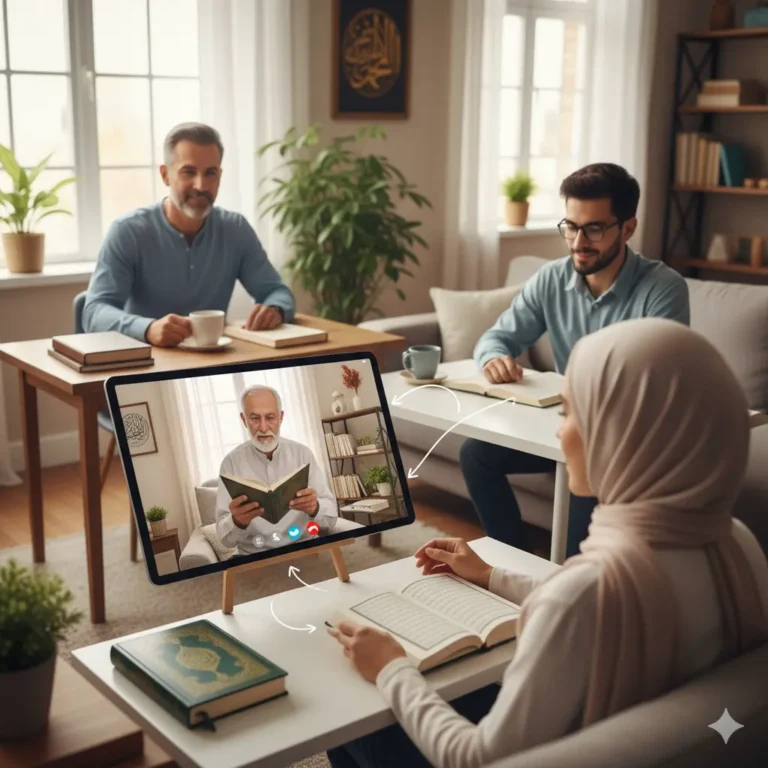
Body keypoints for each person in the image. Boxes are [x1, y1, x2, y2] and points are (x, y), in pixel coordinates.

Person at [326, 317, 768, 768]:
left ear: (626, 435)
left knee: (357, 723)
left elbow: (474, 758)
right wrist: (490, 575)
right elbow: (609, 607)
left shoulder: (582, 596)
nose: (561, 431)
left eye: (571, 412)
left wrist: (392, 668)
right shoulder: (739, 549)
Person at [461, 163, 691, 557]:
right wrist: (494, 356)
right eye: (571, 227)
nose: (579, 242)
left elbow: (655, 384)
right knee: (476, 454)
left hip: (625, 443)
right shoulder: (551, 279)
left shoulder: (663, 289)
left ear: (628, 228)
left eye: (595, 229)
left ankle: (567, 579)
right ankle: (513, 565)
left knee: (574, 551)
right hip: (567, 430)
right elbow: (497, 336)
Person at [83, 123, 295, 346]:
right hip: (145, 361)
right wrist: (147, 329)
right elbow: (93, 312)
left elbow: (277, 292)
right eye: (189, 172)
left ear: (220, 176)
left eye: (210, 173)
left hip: (214, 362)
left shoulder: (236, 229)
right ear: (165, 175)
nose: (201, 185)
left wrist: (275, 309)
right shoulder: (128, 231)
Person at [215, 385, 337, 555]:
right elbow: (225, 539)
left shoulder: (303, 454)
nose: (263, 427)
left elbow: (331, 518)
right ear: (244, 420)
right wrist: (236, 521)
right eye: (255, 418)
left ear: (281, 417)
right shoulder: (230, 463)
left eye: (270, 417)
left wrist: (315, 507)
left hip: (304, 550)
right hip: (254, 556)